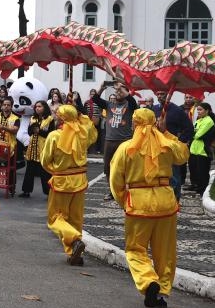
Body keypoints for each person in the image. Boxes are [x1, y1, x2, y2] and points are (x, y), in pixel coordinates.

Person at [108, 109, 189, 308]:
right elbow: (183, 155)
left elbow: (115, 179)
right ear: (155, 124)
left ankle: (147, 280)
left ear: (134, 124)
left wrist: (123, 201)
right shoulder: (167, 145)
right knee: (165, 252)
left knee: (135, 249)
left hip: (138, 204)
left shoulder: (126, 148)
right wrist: (167, 133)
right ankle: (161, 292)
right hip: (166, 203)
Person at [40, 104, 97, 265]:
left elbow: (44, 161)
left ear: (61, 117)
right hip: (80, 180)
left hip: (62, 181)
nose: (55, 115)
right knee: (75, 218)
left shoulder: (54, 136)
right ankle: (74, 253)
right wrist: (82, 117)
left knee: (55, 218)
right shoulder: (83, 133)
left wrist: (55, 170)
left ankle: (74, 241)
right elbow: (94, 134)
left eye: (57, 114)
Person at [91, 79, 137, 191]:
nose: (118, 93)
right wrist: (102, 86)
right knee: (107, 167)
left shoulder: (129, 104)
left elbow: (133, 101)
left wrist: (121, 88)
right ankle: (112, 190)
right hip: (109, 140)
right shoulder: (109, 104)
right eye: (116, 92)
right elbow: (95, 99)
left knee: (125, 167)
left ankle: (125, 188)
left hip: (125, 141)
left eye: (120, 92)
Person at [151, 91, 193, 199]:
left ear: (168, 95)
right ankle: (161, 198)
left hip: (170, 148)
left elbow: (189, 128)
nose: (160, 96)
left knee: (174, 176)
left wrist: (178, 142)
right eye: (158, 94)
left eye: (163, 94)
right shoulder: (154, 109)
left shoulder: (177, 110)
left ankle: (175, 199)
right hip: (155, 148)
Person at [19, 100, 53, 198]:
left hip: (43, 147)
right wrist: (33, 130)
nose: (37, 108)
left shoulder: (50, 119)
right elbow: (29, 132)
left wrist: (39, 131)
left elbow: (50, 134)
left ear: (44, 108)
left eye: (40, 106)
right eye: (36, 107)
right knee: (29, 170)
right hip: (32, 146)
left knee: (45, 172)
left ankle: (49, 192)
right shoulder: (33, 118)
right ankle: (26, 191)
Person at [187, 102, 214, 194]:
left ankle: (202, 189)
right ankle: (195, 186)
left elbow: (198, 135)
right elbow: (192, 131)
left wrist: (192, 133)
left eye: (200, 110)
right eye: (197, 110)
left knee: (202, 171)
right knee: (193, 169)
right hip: (194, 149)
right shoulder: (199, 120)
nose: (198, 111)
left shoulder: (209, 121)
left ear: (207, 111)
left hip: (203, 150)